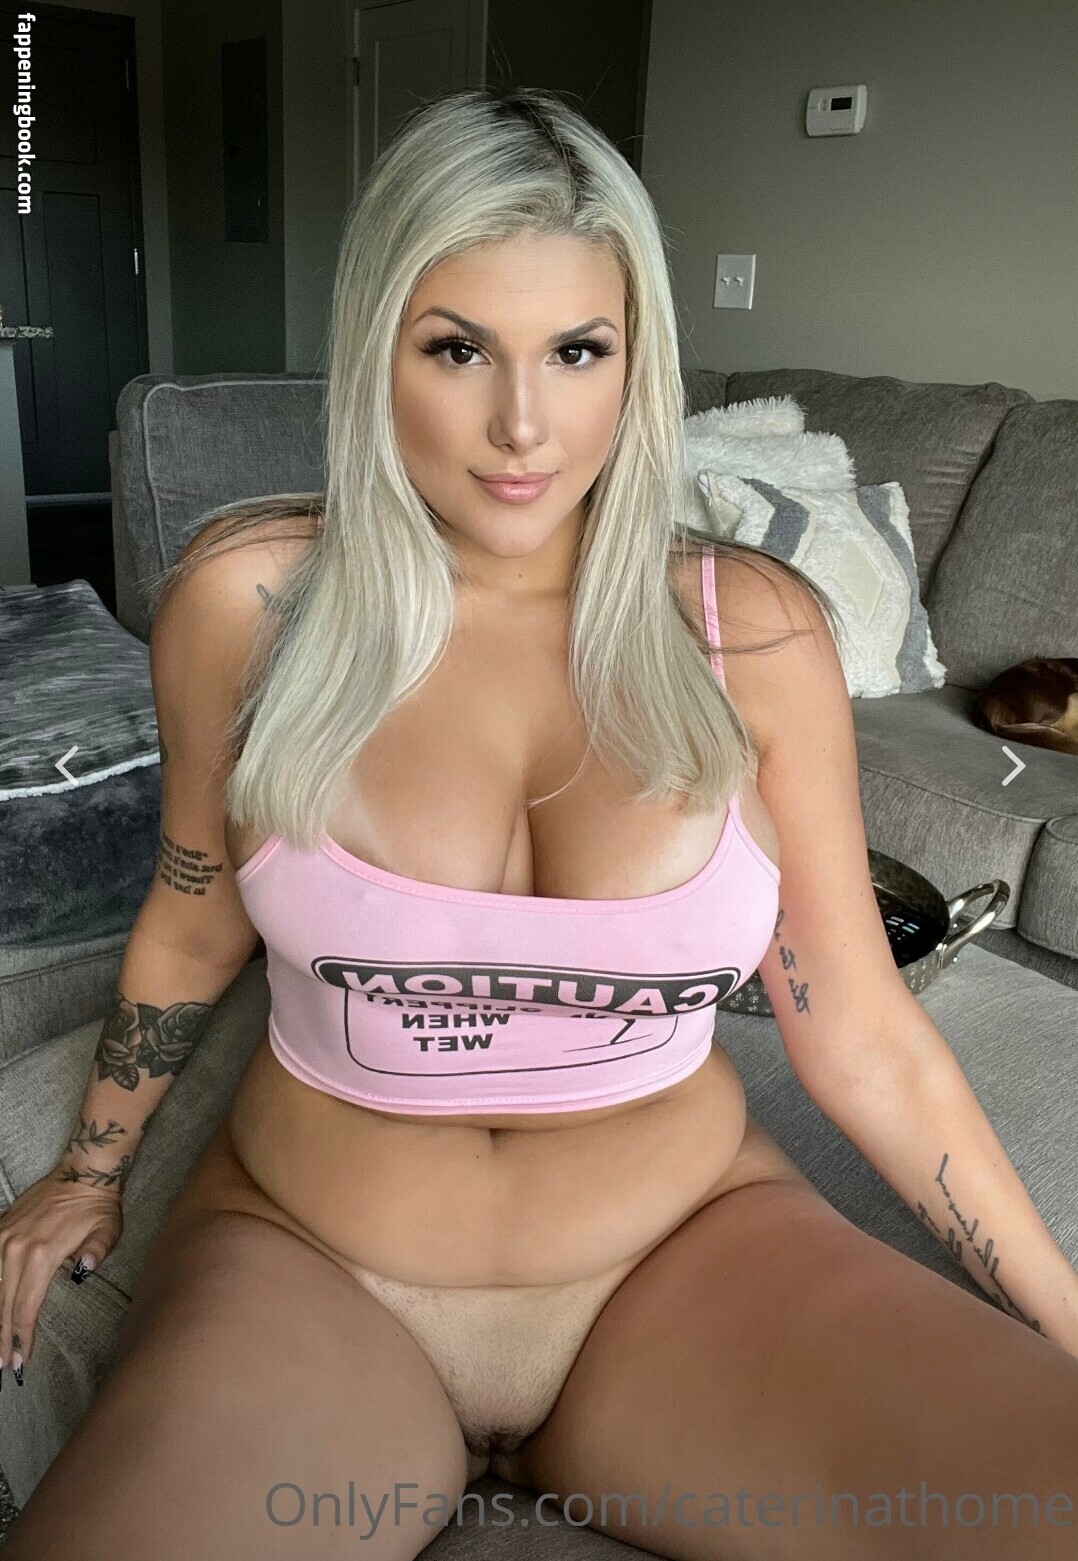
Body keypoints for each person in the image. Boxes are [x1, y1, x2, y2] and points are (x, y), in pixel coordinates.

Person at [1, 86, 1076, 1561]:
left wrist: (1062, 1316)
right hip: (315, 1264)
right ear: (377, 353)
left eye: (578, 350)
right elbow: (194, 917)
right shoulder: (247, 606)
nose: (523, 425)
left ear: (637, 363)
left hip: (687, 1258)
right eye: (458, 350)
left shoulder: (752, 632)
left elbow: (860, 1028)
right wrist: (86, 1171)